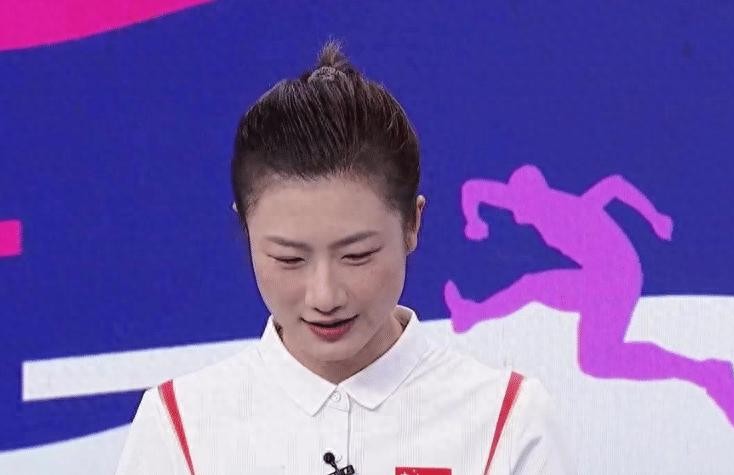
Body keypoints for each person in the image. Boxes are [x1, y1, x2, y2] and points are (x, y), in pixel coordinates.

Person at [115, 40, 573, 474]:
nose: (325, 296)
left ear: (412, 224)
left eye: (357, 255)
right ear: (246, 231)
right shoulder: (180, 427)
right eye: (289, 259)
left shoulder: (505, 421)